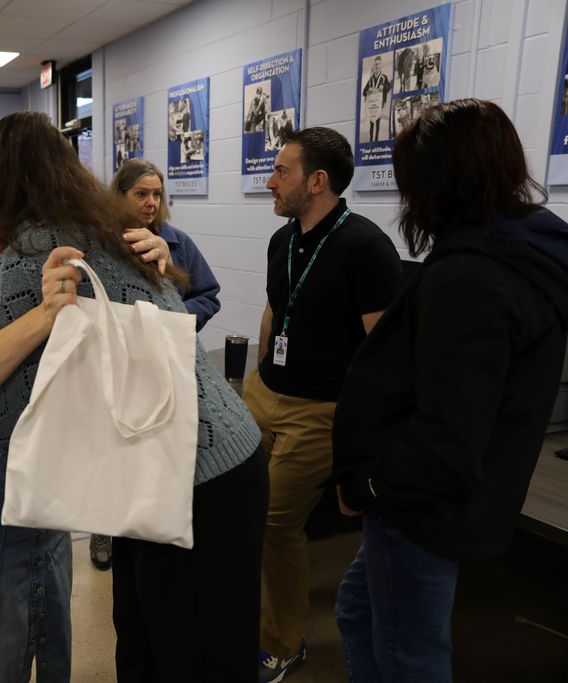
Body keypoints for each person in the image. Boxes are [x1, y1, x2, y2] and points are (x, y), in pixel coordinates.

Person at [0, 111, 268, 683]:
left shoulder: (28, 257)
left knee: (170, 649)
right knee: (170, 643)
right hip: (211, 461)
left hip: (182, 473)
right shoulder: (117, 230)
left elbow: (0, 420)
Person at [332, 98, 568, 682]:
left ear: (438, 182)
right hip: (439, 503)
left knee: (410, 658)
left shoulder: (471, 278)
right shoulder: (524, 248)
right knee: (359, 611)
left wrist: (362, 486)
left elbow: (447, 438)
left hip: (418, 510)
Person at [245, 127, 403, 683]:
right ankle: (256, 614)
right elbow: (273, 310)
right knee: (237, 504)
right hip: (265, 392)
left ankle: (282, 642)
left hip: (320, 411)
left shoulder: (365, 246)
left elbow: (382, 353)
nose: (270, 181)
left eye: (281, 171)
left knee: (274, 523)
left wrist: (361, 441)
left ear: (318, 181)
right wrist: (261, 375)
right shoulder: (283, 240)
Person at [87, 157, 223, 571]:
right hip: (118, 363)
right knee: (112, 447)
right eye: (141, 194)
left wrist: (174, 321)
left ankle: (158, 520)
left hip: (166, 360)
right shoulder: (100, 243)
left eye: (157, 194)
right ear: (120, 196)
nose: (150, 203)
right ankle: (104, 529)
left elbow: (209, 294)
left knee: (158, 444)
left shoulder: (178, 242)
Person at [363, 56, 391, 142]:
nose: (377, 66)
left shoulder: (384, 77)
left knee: (378, 122)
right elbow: (364, 91)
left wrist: (384, 87)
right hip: (371, 104)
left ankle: (376, 139)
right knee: (371, 123)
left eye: (378, 64)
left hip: (379, 103)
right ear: (374, 66)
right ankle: (371, 139)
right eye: (376, 64)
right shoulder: (371, 79)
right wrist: (368, 90)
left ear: (381, 65)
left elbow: (389, 87)